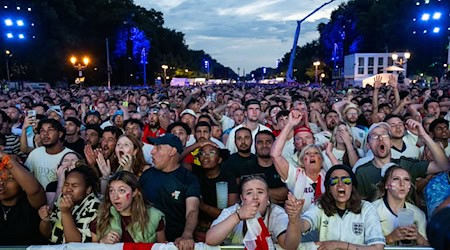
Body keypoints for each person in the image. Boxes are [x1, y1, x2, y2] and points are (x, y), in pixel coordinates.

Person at [205, 175, 303, 249]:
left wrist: (293, 220)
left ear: (267, 197)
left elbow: (290, 246)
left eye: (260, 192)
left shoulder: (277, 213)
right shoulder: (231, 212)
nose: (255, 197)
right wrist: (237, 216)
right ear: (242, 199)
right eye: (249, 193)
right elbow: (210, 240)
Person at [300, 165, 385, 249]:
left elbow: (377, 248)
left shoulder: (366, 208)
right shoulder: (320, 206)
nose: (340, 184)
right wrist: (294, 216)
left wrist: (338, 245)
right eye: (334, 181)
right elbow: (303, 226)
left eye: (346, 180)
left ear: (352, 187)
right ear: (329, 189)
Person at [140, 133, 200, 250]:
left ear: (172, 151)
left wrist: (187, 235)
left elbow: (192, 210)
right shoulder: (147, 175)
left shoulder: (188, 179)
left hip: (176, 244)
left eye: (158, 147)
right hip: (146, 242)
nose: (152, 151)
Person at [91, 171, 166, 243]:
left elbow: (162, 247)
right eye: (111, 190)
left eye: (121, 190)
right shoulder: (101, 217)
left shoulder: (154, 216)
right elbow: (91, 247)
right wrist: (102, 242)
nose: (115, 197)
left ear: (134, 192)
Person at [38, 166, 100, 243]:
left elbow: (75, 244)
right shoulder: (62, 198)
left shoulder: (94, 205)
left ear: (88, 190)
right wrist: (45, 220)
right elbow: (47, 234)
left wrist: (66, 213)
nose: (68, 189)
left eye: (74, 186)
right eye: (66, 184)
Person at [0, 146, 47, 245]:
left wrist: (5, 157)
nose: (1, 182)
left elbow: (34, 190)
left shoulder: (31, 203)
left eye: (11, 179)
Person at [372, 165, 428, 246]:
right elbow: (360, 245)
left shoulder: (418, 214)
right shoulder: (372, 210)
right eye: (396, 179)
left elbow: (430, 247)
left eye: (406, 179)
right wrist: (390, 238)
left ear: (409, 186)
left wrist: (419, 238)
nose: (402, 184)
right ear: (386, 185)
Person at [195, 143, 238, 241]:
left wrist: (203, 206)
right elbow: (177, 160)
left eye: (211, 153)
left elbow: (231, 214)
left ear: (219, 159)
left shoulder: (228, 177)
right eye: (202, 153)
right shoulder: (196, 174)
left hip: (222, 229)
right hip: (199, 229)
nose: (205, 156)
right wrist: (197, 144)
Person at [25, 118, 74, 188]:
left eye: (50, 130)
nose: (45, 134)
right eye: (42, 130)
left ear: (60, 134)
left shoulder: (70, 156)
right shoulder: (35, 153)